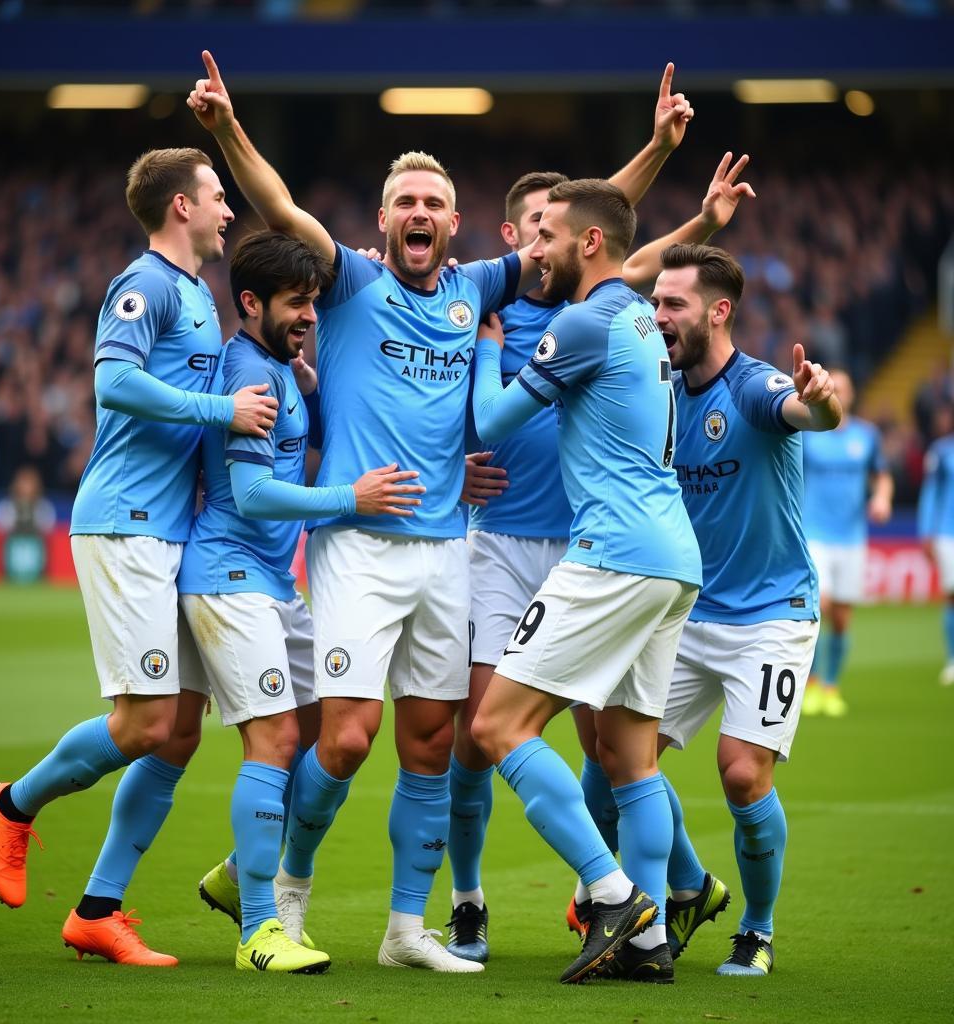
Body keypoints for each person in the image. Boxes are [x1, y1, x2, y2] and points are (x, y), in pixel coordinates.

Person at [187, 51, 703, 974]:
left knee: (433, 743)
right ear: (382, 223)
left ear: (456, 224)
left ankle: (405, 929)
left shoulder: (476, 291)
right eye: (405, 203)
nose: (419, 213)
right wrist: (226, 129)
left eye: (434, 203)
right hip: (357, 545)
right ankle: (278, 892)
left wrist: (658, 151)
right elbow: (278, 207)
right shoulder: (346, 283)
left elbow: (586, 228)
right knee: (347, 737)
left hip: (445, 552)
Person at [449, 149, 755, 965]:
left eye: (545, 234)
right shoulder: (636, 319)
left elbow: (493, 421)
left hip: (611, 554)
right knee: (627, 752)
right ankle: (653, 940)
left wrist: (486, 344)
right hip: (670, 560)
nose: (533, 249)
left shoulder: (581, 323)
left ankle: (615, 897)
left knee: (495, 724)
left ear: (588, 242)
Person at [0, 147, 277, 966]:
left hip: (171, 530)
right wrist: (221, 406)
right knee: (144, 722)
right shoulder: (142, 285)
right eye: (217, 197)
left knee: (176, 732)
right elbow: (114, 382)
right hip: (126, 524)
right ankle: (12, 804)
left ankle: (97, 911)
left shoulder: (197, 296)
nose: (226, 211)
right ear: (181, 206)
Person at [174, 231, 425, 974]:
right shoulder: (247, 375)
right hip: (228, 576)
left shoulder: (281, 369)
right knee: (277, 743)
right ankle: (259, 930)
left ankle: (233, 873)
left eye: (315, 300)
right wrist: (350, 498)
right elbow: (251, 494)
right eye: (296, 302)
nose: (311, 315)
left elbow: (293, 445)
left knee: (327, 734)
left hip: (275, 583)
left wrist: (309, 394)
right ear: (250, 304)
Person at [634, 243, 841, 978]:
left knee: (742, 775)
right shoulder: (656, 393)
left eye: (673, 304)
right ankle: (689, 887)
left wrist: (819, 400)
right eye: (655, 302)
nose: (658, 316)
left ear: (718, 312)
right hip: (689, 613)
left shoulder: (755, 386)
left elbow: (809, 413)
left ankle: (756, 929)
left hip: (771, 613)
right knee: (614, 764)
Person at [803, 370, 893, 716]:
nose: (837, 392)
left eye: (842, 387)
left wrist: (882, 497)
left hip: (852, 537)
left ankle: (831, 686)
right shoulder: (809, 433)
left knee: (841, 617)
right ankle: (809, 684)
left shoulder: (866, 436)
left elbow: (881, 475)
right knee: (818, 607)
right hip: (813, 533)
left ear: (852, 394)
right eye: (832, 386)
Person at [918, 403, 954, 685]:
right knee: (952, 596)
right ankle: (953, 659)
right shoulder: (942, 451)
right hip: (947, 533)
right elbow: (931, 493)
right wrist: (926, 530)